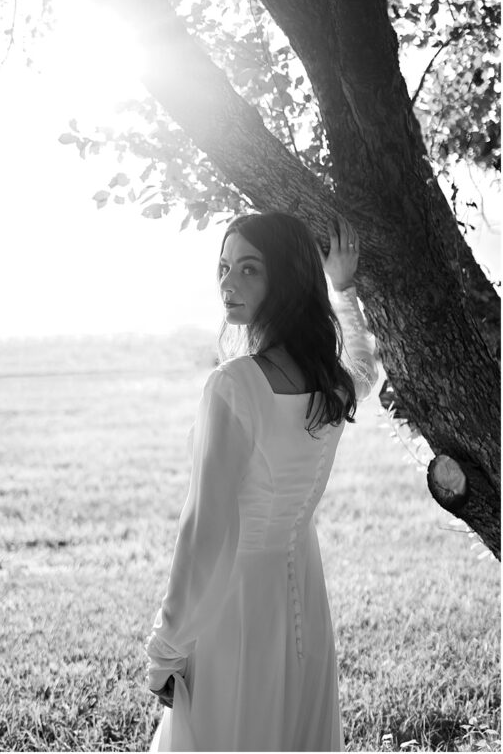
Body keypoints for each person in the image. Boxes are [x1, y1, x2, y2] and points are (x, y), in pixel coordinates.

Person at [145, 212, 377, 751]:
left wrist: (166, 649)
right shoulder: (331, 383)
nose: (228, 283)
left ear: (287, 278)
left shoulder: (234, 385)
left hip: (236, 609)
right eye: (224, 267)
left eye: (249, 269)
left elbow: (205, 533)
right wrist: (344, 289)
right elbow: (365, 364)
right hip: (303, 604)